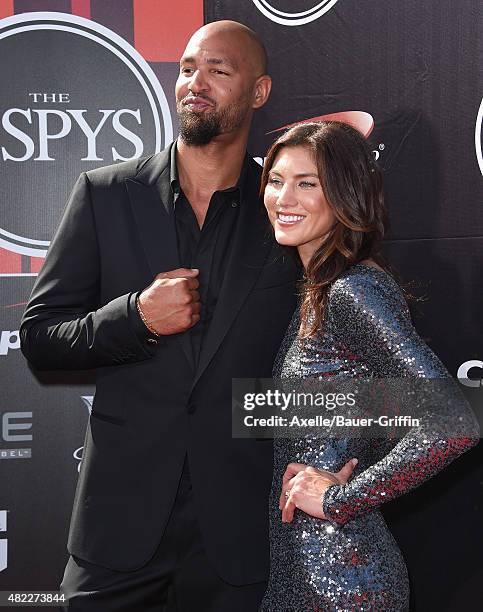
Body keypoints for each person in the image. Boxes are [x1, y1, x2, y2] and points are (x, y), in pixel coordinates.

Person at [19, 20, 299, 611]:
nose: (196, 83)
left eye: (219, 71)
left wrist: (345, 462)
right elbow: (41, 339)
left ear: (259, 92)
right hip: (118, 524)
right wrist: (136, 318)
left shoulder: (288, 213)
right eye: (188, 69)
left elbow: (332, 360)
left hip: (240, 530)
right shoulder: (105, 193)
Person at [258, 121, 479, 611]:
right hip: (306, 572)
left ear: (345, 193)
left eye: (307, 183)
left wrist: (342, 498)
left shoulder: (351, 290)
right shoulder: (318, 290)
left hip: (344, 580)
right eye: (276, 180)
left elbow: (454, 420)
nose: (283, 197)